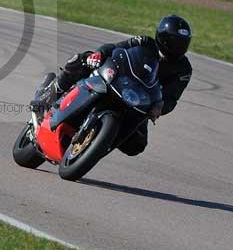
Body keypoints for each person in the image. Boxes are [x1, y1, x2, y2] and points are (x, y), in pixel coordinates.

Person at [33, 15, 193, 156]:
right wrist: (99, 54)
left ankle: (97, 143)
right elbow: (115, 48)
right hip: (116, 79)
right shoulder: (144, 42)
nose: (180, 47)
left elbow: (172, 98)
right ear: (164, 38)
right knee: (81, 60)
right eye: (176, 42)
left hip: (139, 101)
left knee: (137, 145)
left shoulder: (184, 69)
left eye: (183, 43)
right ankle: (49, 94)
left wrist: (159, 108)